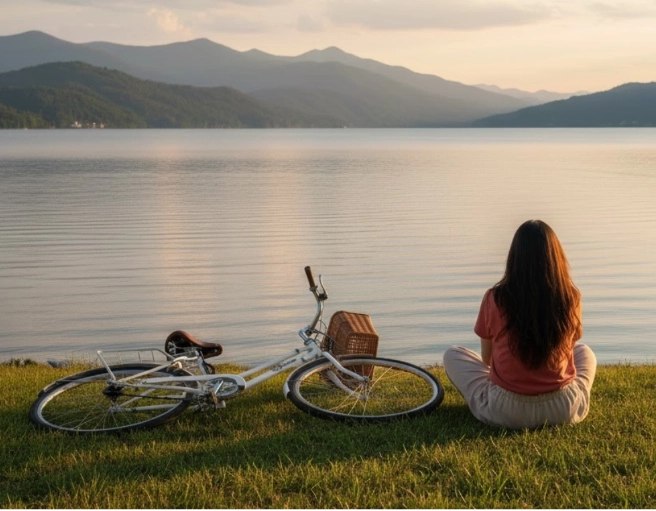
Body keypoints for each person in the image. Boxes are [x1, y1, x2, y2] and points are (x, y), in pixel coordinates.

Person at [443, 220, 596, 429]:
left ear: (514, 258)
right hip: (562, 408)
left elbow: (487, 360)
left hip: (505, 410)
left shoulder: (495, 298)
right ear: (556, 257)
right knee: (585, 352)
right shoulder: (571, 297)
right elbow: (569, 351)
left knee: (453, 354)